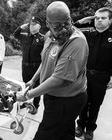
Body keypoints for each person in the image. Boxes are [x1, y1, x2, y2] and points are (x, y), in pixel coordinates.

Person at [16, 1, 88, 140]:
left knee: (44, 135)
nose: (64, 29)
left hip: (67, 100)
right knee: (64, 134)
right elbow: (45, 61)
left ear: (69, 19)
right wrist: (33, 80)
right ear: (48, 24)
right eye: (57, 26)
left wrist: (28, 95)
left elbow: (59, 79)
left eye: (66, 23)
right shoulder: (49, 36)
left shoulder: (77, 42)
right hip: (53, 97)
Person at [74, 7, 112, 140]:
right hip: (85, 75)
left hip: (102, 77)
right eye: (97, 18)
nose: (99, 20)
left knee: (95, 104)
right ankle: (80, 126)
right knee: (82, 101)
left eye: (103, 18)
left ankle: (90, 129)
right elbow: (72, 29)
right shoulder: (88, 34)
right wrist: (83, 20)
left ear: (110, 20)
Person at [13, 16, 44, 112]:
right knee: (25, 85)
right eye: (30, 24)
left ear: (39, 26)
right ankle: (26, 102)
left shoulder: (42, 39)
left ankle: (35, 105)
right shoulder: (24, 35)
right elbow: (15, 34)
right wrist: (22, 26)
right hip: (25, 66)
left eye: (34, 24)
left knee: (37, 87)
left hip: (36, 67)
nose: (31, 26)